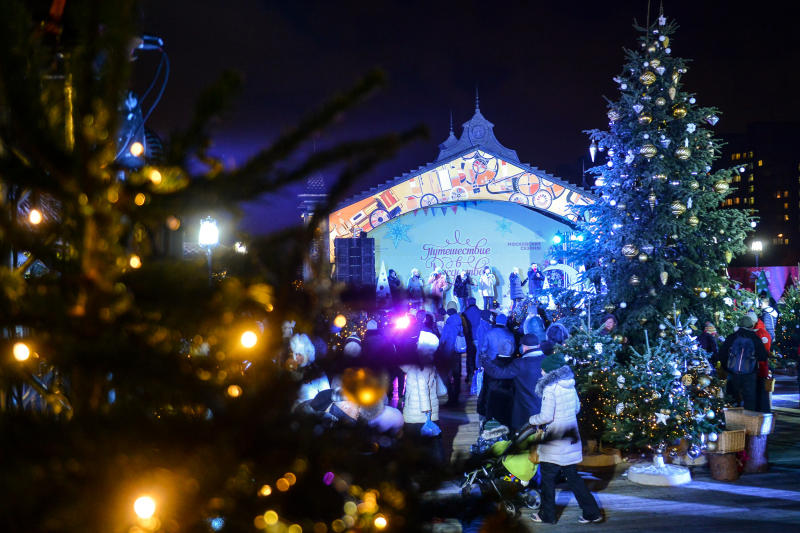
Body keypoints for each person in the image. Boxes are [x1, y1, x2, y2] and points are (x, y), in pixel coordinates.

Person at [529, 353, 602, 524]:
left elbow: (546, 416)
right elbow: (576, 407)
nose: (541, 371)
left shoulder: (550, 388)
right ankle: (592, 512)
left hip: (555, 440)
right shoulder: (570, 385)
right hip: (570, 436)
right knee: (573, 477)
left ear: (550, 371)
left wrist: (532, 420)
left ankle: (547, 514)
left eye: (543, 369)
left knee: (547, 478)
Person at [480, 333, 544, 431]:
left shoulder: (520, 364)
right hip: (544, 408)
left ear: (524, 347)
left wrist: (485, 361)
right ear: (538, 346)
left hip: (525, 411)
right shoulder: (547, 360)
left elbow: (498, 373)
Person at [401, 330, 445, 464]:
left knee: (414, 445)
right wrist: (427, 412)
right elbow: (422, 387)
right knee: (434, 443)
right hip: (423, 413)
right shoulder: (425, 364)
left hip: (412, 412)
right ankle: (437, 471)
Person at [718, 312, 769, 411]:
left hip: (733, 372)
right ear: (752, 325)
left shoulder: (732, 337)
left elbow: (722, 354)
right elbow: (763, 356)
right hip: (749, 373)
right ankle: (749, 420)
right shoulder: (755, 338)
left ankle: (732, 420)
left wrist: (726, 367)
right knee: (749, 399)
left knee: (732, 397)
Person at [477, 313, 515, 424]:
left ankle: (488, 414)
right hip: (507, 364)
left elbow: (483, 350)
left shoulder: (489, 333)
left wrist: (482, 363)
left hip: (492, 364)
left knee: (488, 389)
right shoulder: (510, 334)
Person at [439, 302, 465, 406]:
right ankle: (456, 396)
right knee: (457, 375)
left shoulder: (449, 323)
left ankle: (451, 397)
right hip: (457, 351)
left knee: (446, 375)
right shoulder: (460, 321)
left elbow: (443, 339)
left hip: (448, 352)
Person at [462, 297, 482, 385]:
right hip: (478, 337)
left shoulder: (465, 313)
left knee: (470, 357)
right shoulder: (480, 312)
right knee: (479, 356)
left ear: (468, 303)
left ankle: (470, 375)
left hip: (469, 338)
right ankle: (479, 374)